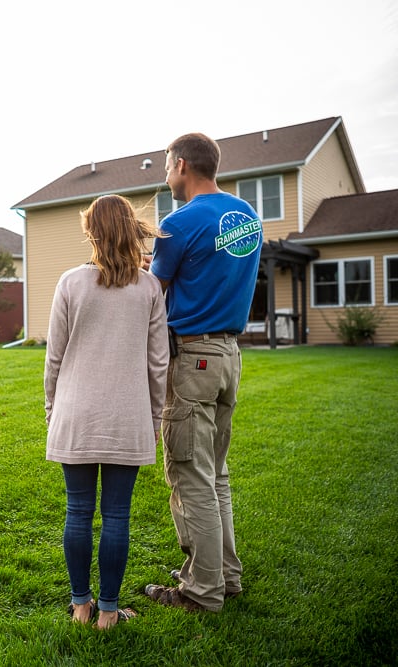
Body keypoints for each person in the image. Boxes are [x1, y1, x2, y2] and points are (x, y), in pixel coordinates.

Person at [146, 132, 263, 612]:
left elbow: (153, 292)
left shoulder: (179, 222)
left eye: (166, 166)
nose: (165, 176)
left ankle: (200, 592)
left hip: (193, 356)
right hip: (230, 355)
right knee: (215, 474)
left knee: (189, 473)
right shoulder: (247, 216)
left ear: (180, 164)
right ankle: (223, 576)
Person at [44, 194, 169, 629]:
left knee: (77, 511)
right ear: (131, 230)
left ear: (92, 232)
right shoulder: (150, 288)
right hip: (127, 416)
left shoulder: (69, 283)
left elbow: (53, 358)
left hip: (74, 414)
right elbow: (159, 364)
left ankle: (81, 606)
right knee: (117, 515)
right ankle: (109, 613)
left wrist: (50, 410)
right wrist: (154, 419)